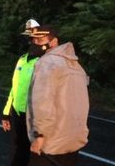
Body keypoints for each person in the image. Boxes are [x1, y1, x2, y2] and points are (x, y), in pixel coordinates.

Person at [26, 25, 89, 166]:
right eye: (34, 41)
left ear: (54, 42)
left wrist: (40, 135)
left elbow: (42, 102)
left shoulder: (46, 62)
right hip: (72, 141)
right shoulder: (77, 66)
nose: (35, 44)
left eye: (40, 40)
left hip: (51, 143)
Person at [2, 19, 41, 166]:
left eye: (32, 38)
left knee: (34, 156)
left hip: (35, 119)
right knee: (17, 153)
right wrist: (6, 113)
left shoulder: (44, 62)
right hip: (18, 116)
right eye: (27, 38)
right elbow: (14, 88)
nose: (29, 41)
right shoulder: (22, 60)